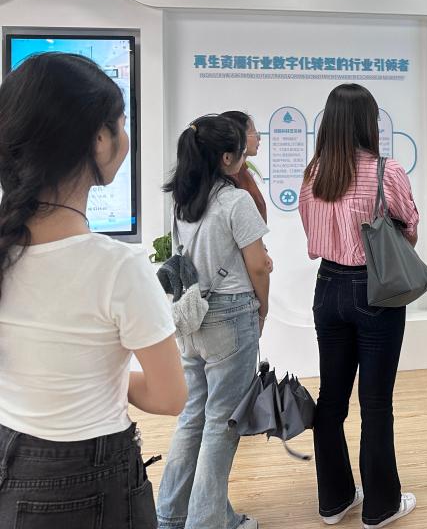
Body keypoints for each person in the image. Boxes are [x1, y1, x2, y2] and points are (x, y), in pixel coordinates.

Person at [0, 52, 186, 529]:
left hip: (9, 459)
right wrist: (103, 381)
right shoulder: (118, 267)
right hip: (91, 478)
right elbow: (170, 396)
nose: (125, 136)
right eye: (120, 123)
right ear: (98, 140)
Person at [299, 84, 419, 529]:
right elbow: (410, 228)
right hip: (375, 289)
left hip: (327, 286)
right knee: (376, 401)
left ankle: (334, 502)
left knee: (331, 399)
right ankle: (381, 507)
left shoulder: (313, 174)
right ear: (369, 122)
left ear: (329, 122)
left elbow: (309, 231)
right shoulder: (386, 171)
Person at [157, 114, 273, 529]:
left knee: (194, 416)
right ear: (227, 158)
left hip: (192, 316)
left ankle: (171, 515)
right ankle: (206, 522)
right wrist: (263, 308)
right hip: (231, 315)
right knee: (221, 425)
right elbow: (258, 265)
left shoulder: (184, 201)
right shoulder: (236, 201)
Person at [222, 111, 267, 223]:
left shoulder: (244, 170)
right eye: (254, 133)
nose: (259, 138)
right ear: (239, 137)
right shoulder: (229, 177)